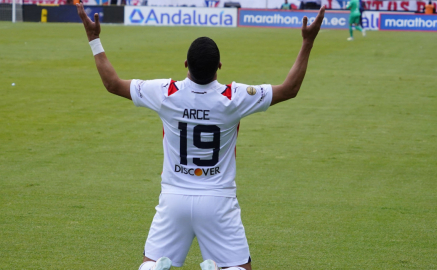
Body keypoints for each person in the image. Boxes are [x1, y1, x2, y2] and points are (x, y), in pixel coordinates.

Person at [76, 3, 325, 270]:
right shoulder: (234, 97)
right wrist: (308, 42)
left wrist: (94, 39)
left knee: (150, 263)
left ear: (185, 64)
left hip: (174, 199)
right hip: (218, 201)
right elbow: (290, 89)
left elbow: (112, 83)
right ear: (219, 66)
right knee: (240, 267)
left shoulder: (165, 92)